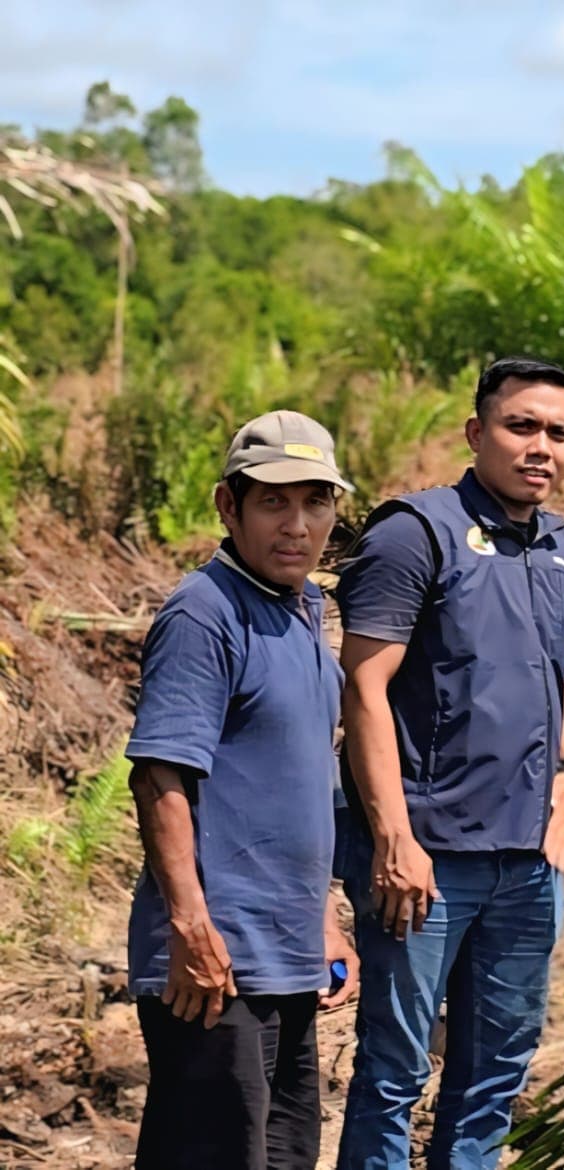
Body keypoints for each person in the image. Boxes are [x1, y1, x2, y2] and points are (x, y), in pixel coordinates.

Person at [335, 356, 564, 1169]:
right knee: (394, 1069)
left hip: (527, 862)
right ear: (476, 433)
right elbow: (363, 688)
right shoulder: (416, 532)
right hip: (428, 859)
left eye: (559, 432)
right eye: (521, 427)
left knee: (494, 1074)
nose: (540, 447)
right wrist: (393, 839)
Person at [127, 412, 359, 1170]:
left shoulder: (304, 612)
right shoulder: (205, 612)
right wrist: (190, 930)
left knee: (286, 1156)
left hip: (287, 957)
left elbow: (311, 776)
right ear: (229, 506)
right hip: (217, 965)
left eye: (316, 502)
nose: (298, 525)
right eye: (273, 502)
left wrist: (326, 916)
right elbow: (160, 775)